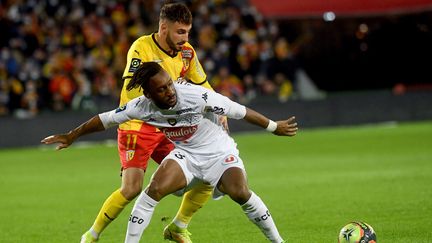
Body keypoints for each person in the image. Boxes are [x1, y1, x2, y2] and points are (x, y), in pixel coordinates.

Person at [41, 62, 298, 243]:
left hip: (219, 152)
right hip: (186, 154)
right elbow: (105, 119)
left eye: (169, 85)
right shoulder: (141, 107)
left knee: (240, 192)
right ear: (149, 94)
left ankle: (278, 240)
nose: (169, 91)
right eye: (162, 89)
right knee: (152, 191)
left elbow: (239, 111)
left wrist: (274, 127)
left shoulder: (196, 96)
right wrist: (72, 135)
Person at [78, 3, 225, 243]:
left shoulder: (187, 52)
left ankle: (178, 227)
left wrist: (221, 110)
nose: (185, 38)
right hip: (138, 126)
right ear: (164, 28)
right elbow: (131, 88)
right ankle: (91, 235)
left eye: (188, 31)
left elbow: (203, 84)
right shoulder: (142, 47)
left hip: (168, 128)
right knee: (132, 188)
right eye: (180, 32)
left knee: (208, 174)